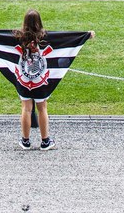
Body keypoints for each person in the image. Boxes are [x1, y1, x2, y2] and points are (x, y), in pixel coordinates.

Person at [12, 9, 93, 151]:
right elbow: (67, 38)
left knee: (26, 108)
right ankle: (45, 141)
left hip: (24, 79)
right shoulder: (47, 38)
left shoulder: (17, 37)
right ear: (39, 22)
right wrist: (86, 35)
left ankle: (25, 141)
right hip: (40, 81)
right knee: (42, 108)